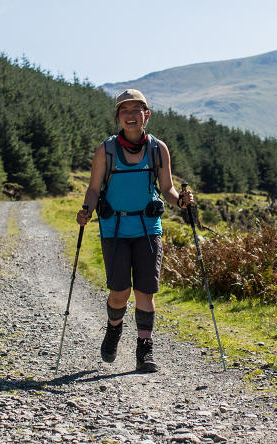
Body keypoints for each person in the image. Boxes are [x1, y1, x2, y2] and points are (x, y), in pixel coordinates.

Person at [76, 89, 193, 373]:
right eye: (124, 111)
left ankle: (145, 350)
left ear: (146, 115)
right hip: (114, 229)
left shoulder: (158, 149)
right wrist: (86, 210)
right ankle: (114, 330)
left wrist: (180, 201)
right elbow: (93, 189)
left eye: (136, 110)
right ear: (118, 117)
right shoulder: (106, 150)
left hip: (148, 229)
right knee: (119, 292)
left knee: (145, 292)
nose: (130, 115)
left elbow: (167, 188)